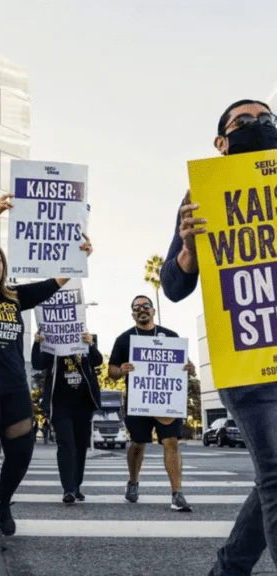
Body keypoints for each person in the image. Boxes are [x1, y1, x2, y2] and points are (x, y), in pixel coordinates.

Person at [164, 99, 277, 575]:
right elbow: (173, 285)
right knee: (275, 474)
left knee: (273, 478)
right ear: (221, 141)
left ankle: (228, 569)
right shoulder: (201, 195)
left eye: (267, 119)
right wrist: (189, 251)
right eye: (244, 121)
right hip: (246, 355)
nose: (258, 125)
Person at [0, 193, 92, 554]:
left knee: (21, 453)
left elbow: (53, 285)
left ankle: (2, 500)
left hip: (13, 387)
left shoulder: (15, 298)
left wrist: (80, 256)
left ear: (4, 267)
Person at [107, 295, 194, 513]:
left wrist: (189, 368)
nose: (142, 309)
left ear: (153, 311)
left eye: (146, 306)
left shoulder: (171, 336)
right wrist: (121, 370)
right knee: (138, 443)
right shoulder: (124, 339)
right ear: (133, 314)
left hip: (166, 400)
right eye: (137, 307)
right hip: (139, 401)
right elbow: (111, 371)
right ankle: (133, 482)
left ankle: (177, 494)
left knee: (170, 441)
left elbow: (185, 365)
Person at [32, 330, 102, 504]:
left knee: (80, 447)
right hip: (60, 406)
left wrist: (90, 344)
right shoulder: (53, 346)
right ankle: (68, 489)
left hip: (83, 405)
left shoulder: (84, 343)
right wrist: (37, 343)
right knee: (66, 444)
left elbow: (98, 360)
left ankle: (76, 486)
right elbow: (37, 363)